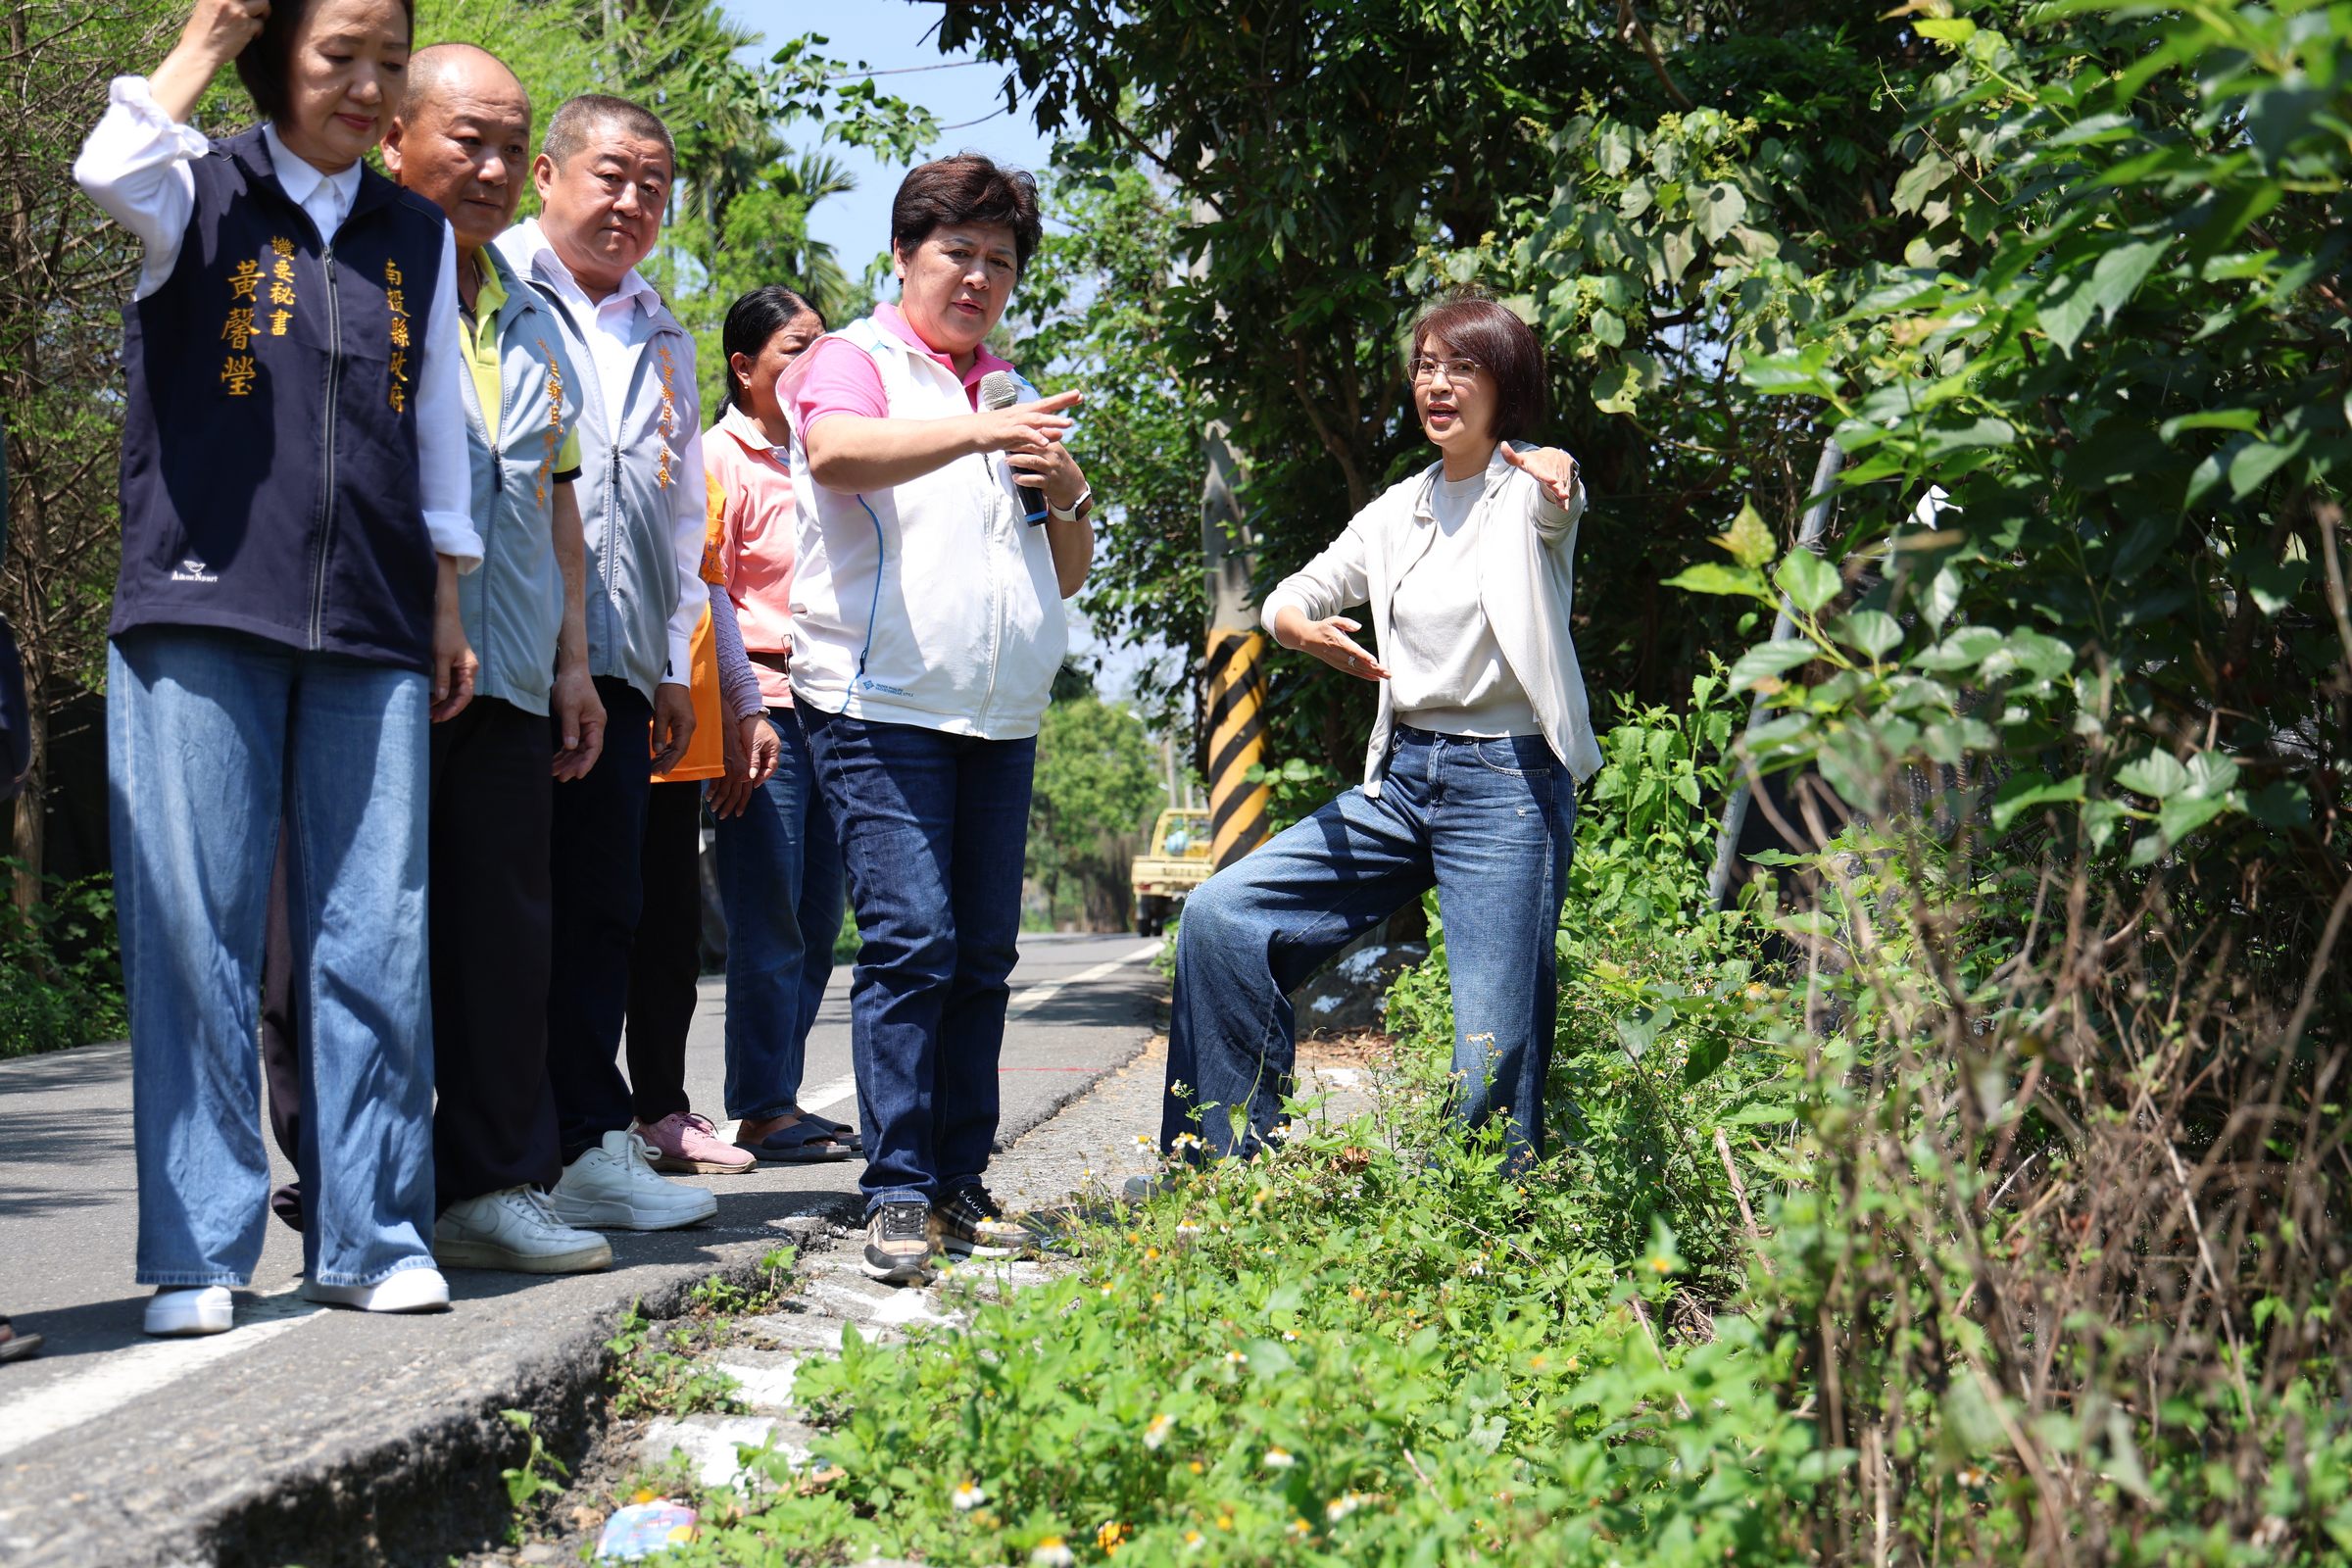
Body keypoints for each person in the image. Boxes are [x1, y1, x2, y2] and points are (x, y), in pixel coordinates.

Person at [74, 0, 479, 1333]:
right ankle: (198, 1253)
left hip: (370, 617)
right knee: (196, 934)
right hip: (201, 603)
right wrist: (199, 39)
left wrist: (447, 595)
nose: (369, 86)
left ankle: (371, 1236)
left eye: (388, 61)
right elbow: (104, 170)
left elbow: (436, 433)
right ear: (271, 57)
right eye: (336, 56)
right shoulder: (193, 184)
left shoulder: (414, 231)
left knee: (377, 933)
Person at [1158, 295, 1596, 1177]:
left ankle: (1484, 1228)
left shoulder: (1528, 493)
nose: (1439, 383)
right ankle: (1225, 1169)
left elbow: (1561, 494)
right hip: (1400, 781)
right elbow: (1296, 592)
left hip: (1509, 786)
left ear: (1503, 384)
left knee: (1490, 1048)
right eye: (1427, 366)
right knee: (1219, 917)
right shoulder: (1398, 510)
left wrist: (1557, 472)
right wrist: (1297, 629)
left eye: (1462, 367)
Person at [792, 155, 1097, 1283]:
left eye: (999, 261)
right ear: (905, 256)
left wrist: (1060, 484)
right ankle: (899, 1190)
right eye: (956, 252)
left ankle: (961, 1182)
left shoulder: (1006, 385)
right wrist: (980, 434)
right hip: (882, 705)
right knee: (913, 941)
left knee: (982, 953)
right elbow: (833, 453)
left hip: (999, 714)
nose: (977, 277)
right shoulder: (855, 361)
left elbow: (1066, 569)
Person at [491, 96, 715, 1232]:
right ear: (547, 174)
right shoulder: (486, 286)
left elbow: (682, 515)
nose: (633, 202)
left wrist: (674, 664)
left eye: (655, 186)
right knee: (492, 904)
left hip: (622, 662)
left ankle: (586, 1139)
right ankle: (482, 1153)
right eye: (613, 175)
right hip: (492, 651)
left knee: (603, 907)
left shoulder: (664, 329)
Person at [704, 285, 856, 1166]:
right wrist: (742, 711)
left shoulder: (822, 455)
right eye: (794, 351)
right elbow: (710, 591)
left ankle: (781, 1097)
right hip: (761, 709)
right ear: (744, 368)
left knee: (818, 914)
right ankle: (760, 1105)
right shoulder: (718, 459)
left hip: (835, 707)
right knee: (769, 917)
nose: (813, 366)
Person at [622, 532, 778, 1176]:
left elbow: (709, 596)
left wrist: (745, 706)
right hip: (606, 711)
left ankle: (661, 1113)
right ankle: (576, 1123)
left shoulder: (688, 464)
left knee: (670, 938)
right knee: (591, 929)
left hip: (682, 743)